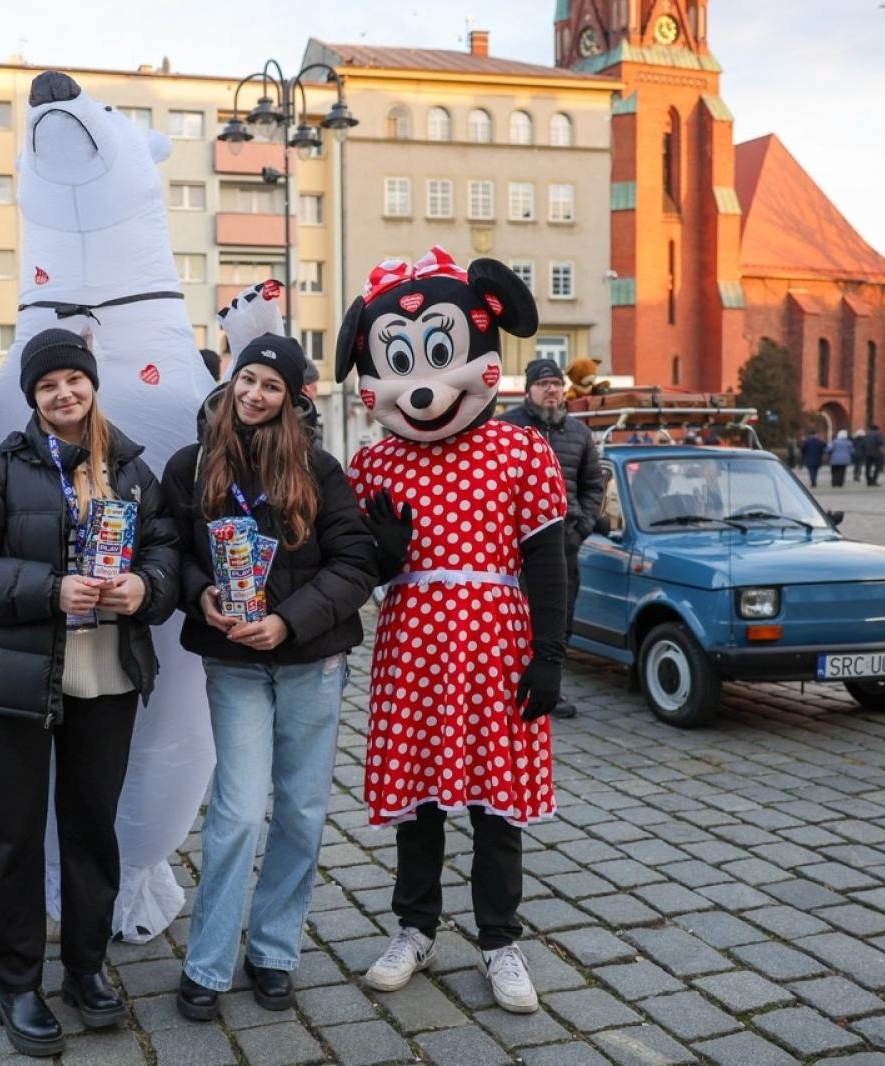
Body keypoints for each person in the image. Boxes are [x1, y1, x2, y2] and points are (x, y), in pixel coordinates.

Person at [0, 328, 178, 1058]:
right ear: (31, 397)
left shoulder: (130, 469)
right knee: (10, 836)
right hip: (12, 680)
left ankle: (86, 968)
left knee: (92, 828)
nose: (63, 394)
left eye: (74, 380)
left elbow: (164, 545)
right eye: (47, 386)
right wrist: (49, 588)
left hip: (105, 677)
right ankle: (15, 983)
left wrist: (146, 585)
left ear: (92, 384)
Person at [335, 246, 567, 1015]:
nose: (426, 387)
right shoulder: (374, 465)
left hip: (498, 648)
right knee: (421, 801)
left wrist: (550, 656)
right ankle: (415, 926)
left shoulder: (518, 447)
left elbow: (547, 561)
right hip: (414, 650)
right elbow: (351, 567)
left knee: (496, 806)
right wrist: (381, 558)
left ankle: (500, 939)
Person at [160, 335, 379, 1021]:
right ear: (232, 382)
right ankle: (208, 963)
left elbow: (355, 566)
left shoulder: (319, 468)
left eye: (271, 386)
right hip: (234, 664)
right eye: (247, 379)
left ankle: (275, 952)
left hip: (311, 663)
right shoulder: (192, 466)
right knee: (235, 811)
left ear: (292, 397)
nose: (255, 394)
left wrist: (288, 623)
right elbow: (167, 549)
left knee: (303, 811)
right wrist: (200, 596)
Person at [496, 358, 604, 720]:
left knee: (560, 616)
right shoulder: (505, 429)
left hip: (565, 543)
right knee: (516, 618)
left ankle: (550, 688)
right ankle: (506, 686)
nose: (552, 390)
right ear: (529, 390)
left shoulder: (579, 433)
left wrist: (582, 528)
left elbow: (594, 486)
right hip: (515, 548)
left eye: (556, 384)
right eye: (543, 384)